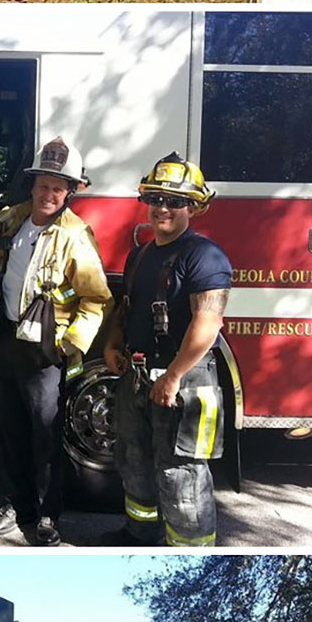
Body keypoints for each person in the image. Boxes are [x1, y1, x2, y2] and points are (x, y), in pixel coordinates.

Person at [0, 134, 111, 546]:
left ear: (69, 192)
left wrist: (70, 346)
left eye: (57, 187)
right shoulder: (16, 217)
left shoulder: (74, 237)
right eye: (43, 185)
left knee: (46, 436)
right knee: (10, 430)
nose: (48, 194)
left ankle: (48, 516)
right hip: (7, 341)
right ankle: (18, 505)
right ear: (32, 186)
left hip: (44, 354)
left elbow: (96, 299)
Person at [101, 152, 232, 549]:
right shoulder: (141, 253)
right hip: (138, 379)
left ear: (193, 207)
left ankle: (189, 551)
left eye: (175, 201)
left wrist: (173, 376)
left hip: (183, 383)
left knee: (181, 476)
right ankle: (139, 533)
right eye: (157, 198)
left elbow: (207, 324)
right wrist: (111, 343)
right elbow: (128, 306)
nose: (163, 208)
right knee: (135, 462)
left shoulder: (205, 256)